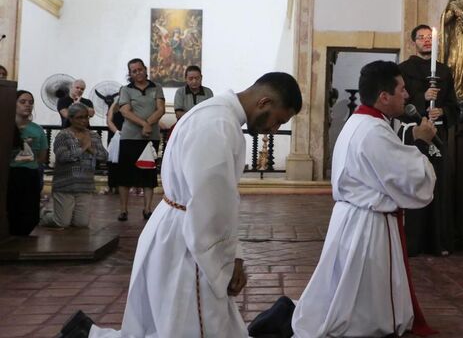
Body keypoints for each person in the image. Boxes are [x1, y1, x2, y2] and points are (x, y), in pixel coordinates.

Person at [61, 72, 303, 338]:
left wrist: (236, 252)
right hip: (191, 241)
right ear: (264, 102)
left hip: (177, 228)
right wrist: (226, 263)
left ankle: (86, 334)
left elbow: (221, 197)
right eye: (278, 120)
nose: (274, 129)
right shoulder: (218, 124)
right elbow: (210, 204)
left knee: (167, 325)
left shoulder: (216, 115)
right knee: (194, 329)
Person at [291, 61, 437, 338]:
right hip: (367, 224)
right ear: (384, 97)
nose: (406, 96)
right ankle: (363, 324)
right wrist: (422, 143)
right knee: (363, 291)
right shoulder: (373, 130)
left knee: (349, 284)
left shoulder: (360, 121)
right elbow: (410, 177)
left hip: (354, 217)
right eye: (402, 90)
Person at [398, 23, 459, 256]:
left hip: (437, 136)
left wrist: (441, 111)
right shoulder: (403, 69)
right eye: (421, 37)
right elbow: (400, 104)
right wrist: (422, 99)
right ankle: (412, 242)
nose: (426, 40)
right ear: (413, 41)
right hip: (414, 135)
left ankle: (438, 242)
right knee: (414, 184)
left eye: (429, 37)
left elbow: (454, 106)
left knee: (438, 185)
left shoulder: (444, 72)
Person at [40, 103, 107, 228]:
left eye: (86, 117)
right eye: (79, 117)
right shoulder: (63, 135)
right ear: (70, 119)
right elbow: (63, 157)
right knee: (62, 222)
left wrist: (91, 149)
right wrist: (83, 148)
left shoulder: (93, 135)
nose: (84, 120)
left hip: (85, 184)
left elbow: (104, 156)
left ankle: (62, 214)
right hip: (65, 184)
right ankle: (42, 215)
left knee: (81, 224)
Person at [116, 58, 165, 221]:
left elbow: (161, 109)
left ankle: (147, 209)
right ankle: (123, 210)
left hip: (150, 136)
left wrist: (148, 124)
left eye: (140, 69)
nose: (138, 73)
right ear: (130, 74)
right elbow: (125, 111)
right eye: (134, 71)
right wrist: (144, 124)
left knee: (148, 173)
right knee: (125, 173)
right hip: (130, 136)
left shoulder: (156, 88)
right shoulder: (126, 89)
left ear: (145, 69)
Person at [7, 90, 48, 236]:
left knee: (29, 211)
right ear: (14, 104)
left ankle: (22, 237)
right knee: (11, 208)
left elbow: (42, 156)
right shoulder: (6, 126)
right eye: (23, 102)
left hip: (30, 173)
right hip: (10, 174)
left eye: (31, 102)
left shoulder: (37, 129)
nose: (27, 105)